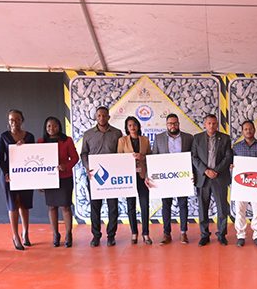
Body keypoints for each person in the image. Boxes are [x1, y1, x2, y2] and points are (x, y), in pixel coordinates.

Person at [81, 106, 123, 247]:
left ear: (109, 117)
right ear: (96, 117)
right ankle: (96, 236)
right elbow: (84, 153)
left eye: (104, 115)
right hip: (94, 177)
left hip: (112, 177)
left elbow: (121, 153)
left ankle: (111, 236)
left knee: (113, 207)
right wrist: (87, 167)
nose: (102, 118)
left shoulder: (117, 133)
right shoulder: (88, 134)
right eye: (99, 116)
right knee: (95, 207)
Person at [191, 113, 233, 246]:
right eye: (209, 123)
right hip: (203, 178)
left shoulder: (225, 138)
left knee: (222, 208)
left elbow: (228, 157)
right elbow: (194, 157)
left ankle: (221, 234)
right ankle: (204, 235)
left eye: (214, 123)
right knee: (203, 208)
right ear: (205, 124)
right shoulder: (197, 138)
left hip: (219, 177)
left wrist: (216, 171)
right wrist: (205, 170)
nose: (212, 126)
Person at [152, 113, 193, 245]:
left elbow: (193, 158)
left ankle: (183, 233)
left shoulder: (188, 138)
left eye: (175, 123)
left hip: (182, 178)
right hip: (165, 179)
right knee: (166, 205)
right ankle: (166, 234)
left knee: (183, 204)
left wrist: (193, 174)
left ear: (179, 124)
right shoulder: (158, 139)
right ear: (166, 125)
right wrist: (153, 175)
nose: (173, 125)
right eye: (170, 123)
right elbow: (154, 157)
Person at [0, 109, 35, 250]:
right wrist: (6, 172)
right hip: (9, 176)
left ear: (22, 120)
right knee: (13, 204)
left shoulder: (29, 136)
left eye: (17, 119)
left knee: (24, 204)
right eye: (11, 119)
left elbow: (33, 154)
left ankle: (25, 233)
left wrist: (24, 146)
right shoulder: (3, 136)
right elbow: (0, 157)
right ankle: (15, 236)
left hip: (25, 173)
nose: (14, 122)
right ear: (8, 121)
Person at [38, 117, 79, 248]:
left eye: (54, 126)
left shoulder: (67, 140)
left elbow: (75, 157)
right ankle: (55, 234)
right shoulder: (41, 142)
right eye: (49, 126)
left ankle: (68, 234)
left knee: (66, 206)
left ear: (59, 127)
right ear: (45, 128)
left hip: (65, 177)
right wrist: (39, 182)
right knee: (51, 207)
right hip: (48, 178)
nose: (52, 128)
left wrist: (66, 166)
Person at [232, 120, 257, 248]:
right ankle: (241, 235)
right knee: (239, 210)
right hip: (241, 184)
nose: (248, 131)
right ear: (242, 131)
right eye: (246, 129)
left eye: (250, 129)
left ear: (254, 130)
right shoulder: (236, 147)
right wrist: (231, 167)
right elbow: (231, 165)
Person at [118, 116, 152, 245]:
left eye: (134, 125)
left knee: (145, 205)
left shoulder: (145, 140)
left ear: (138, 126)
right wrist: (129, 159)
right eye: (130, 125)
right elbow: (118, 158)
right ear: (127, 128)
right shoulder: (122, 141)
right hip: (129, 178)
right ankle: (134, 233)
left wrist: (142, 157)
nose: (132, 127)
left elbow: (150, 156)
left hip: (142, 176)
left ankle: (146, 233)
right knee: (130, 206)